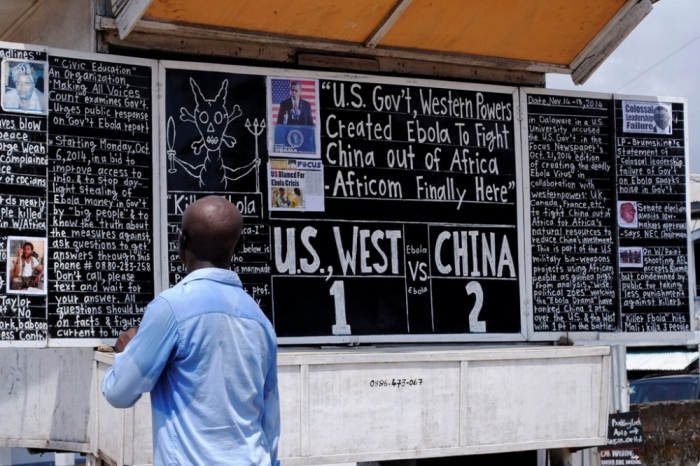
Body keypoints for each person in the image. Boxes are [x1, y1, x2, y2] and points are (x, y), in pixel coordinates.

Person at [102, 196, 280, 466]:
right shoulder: (260, 322)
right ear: (240, 246)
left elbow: (118, 392)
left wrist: (126, 352)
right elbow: (270, 421)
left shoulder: (171, 310)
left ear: (182, 240)